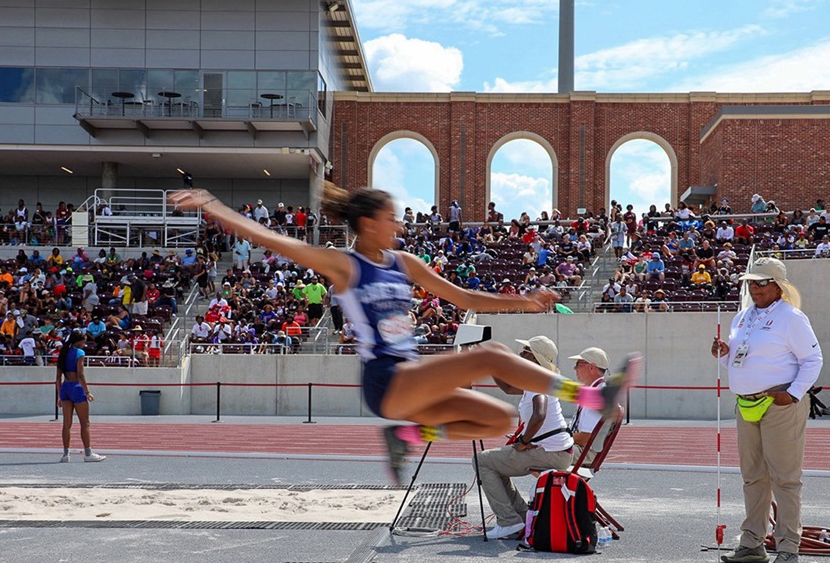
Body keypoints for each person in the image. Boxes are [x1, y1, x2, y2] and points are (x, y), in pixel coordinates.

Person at [170, 184, 631, 485]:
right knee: (489, 353)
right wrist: (215, 207)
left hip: (413, 383)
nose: (400, 224)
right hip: (386, 380)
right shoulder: (346, 264)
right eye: (392, 218)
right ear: (369, 224)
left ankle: (408, 436)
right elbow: (278, 242)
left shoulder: (403, 263)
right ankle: (590, 398)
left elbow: (464, 298)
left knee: (498, 422)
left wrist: (525, 301)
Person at [709, 257, 822, 563]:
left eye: (760, 282)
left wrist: (795, 393)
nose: (753, 288)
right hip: (746, 403)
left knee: (785, 477)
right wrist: (724, 354)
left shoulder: (792, 318)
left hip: (779, 403)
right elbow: (737, 363)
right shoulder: (742, 318)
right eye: (750, 282)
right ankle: (752, 543)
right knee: (753, 476)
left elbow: (813, 359)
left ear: (778, 287)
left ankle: (788, 547)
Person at [476, 336, 575, 539]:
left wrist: (524, 441)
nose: (521, 353)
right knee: (495, 463)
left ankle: (508, 521)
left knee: (481, 461)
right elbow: (509, 388)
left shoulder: (538, 384)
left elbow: (539, 414)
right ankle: (519, 516)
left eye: (526, 351)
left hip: (549, 454)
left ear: (535, 358)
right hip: (555, 451)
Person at [56, 330, 106, 463]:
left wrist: (60, 395)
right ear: (79, 341)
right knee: (85, 423)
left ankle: (66, 454)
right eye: (84, 341)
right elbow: (80, 375)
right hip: (76, 388)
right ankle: (88, 453)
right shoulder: (80, 353)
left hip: (65, 388)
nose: (85, 344)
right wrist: (87, 391)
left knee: (67, 423)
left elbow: (57, 377)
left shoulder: (63, 352)